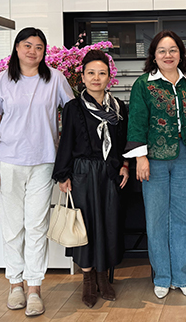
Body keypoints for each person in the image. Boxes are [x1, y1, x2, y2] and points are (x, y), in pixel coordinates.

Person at [0, 27, 75, 316]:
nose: (32, 51)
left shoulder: (55, 79)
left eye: (38, 47)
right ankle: (15, 284)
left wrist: (67, 162)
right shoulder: (1, 81)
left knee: (36, 226)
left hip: (44, 162)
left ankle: (34, 287)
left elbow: (73, 117)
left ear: (44, 51)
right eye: (27, 45)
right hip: (9, 162)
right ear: (17, 48)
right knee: (12, 227)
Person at [124, 30, 186, 299]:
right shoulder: (143, 85)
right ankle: (162, 277)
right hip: (153, 159)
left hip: (185, 156)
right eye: (162, 50)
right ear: (154, 56)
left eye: (173, 50)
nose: (168, 55)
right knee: (156, 219)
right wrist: (140, 157)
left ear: (181, 54)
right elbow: (136, 121)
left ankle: (183, 278)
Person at [52, 49, 129, 308]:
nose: (96, 78)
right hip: (82, 174)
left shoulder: (119, 107)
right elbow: (66, 142)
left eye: (102, 73)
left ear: (109, 77)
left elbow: (124, 141)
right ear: (82, 77)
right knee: (84, 226)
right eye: (91, 73)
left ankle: (103, 277)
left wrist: (125, 166)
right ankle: (87, 279)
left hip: (110, 173)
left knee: (109, 224)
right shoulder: (73, 107)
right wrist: (63, 175)